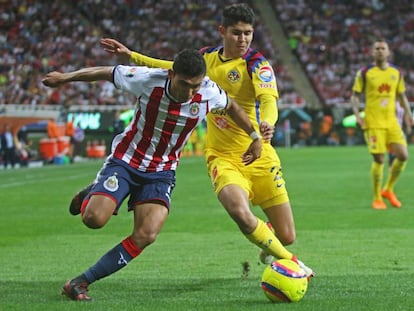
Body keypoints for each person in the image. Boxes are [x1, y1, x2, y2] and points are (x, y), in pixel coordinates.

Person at [100, 3, 313, 277]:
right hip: (223, 157)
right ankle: (293, 262)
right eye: (237, 33)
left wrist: (267, 124)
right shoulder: (205, 59)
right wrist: (133, 56)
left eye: (248, 33)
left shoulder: (257, 64)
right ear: (222, 31)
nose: (243, 39)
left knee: (287, 234)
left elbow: (269, 100)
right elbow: (169, 67)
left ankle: (271, 244)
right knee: (239, 210)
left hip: (259, 153)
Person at [42, 49, 263, 301]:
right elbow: (106, 72)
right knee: (93, 219)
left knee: (147, 234)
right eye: (185, 84)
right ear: (171, 74)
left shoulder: (208, 92)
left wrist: (254, 136)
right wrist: (65, 78)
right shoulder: (147, 79)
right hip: (127, 160)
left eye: (196, 86)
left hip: (162, 172)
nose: (190, 92)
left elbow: (232, 106)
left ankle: (80, 282)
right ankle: (92, 193)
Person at [351, 38, 413, 210]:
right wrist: (357, 115)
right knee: (379, 158)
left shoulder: (396, 72)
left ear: (388, 52)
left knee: (403, 155)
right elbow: (355, 95)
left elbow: (401, 96)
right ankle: (377, 197)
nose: (379, 51)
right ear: (372, 52)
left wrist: (409, 115)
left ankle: (388, 189)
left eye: (382, 48)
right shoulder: (365, 72)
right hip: (373, 122)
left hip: (392, 121)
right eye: (376, 48)